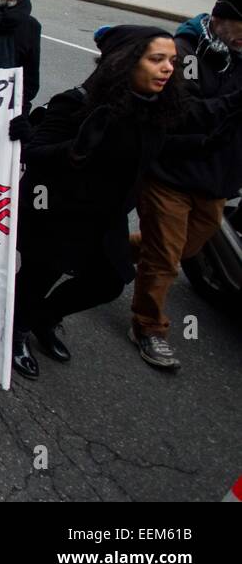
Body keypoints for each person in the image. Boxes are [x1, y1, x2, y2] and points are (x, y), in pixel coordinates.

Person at [12, 26, 208, 380]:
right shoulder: (76, 103)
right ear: (125, 63)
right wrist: (74, 151)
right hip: (57, 212)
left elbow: (161, 148)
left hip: (107, 216)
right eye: (156, 59)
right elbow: (34, 150)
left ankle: (46, 317)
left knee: (108, 281)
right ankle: (17, 331)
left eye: (172, 62)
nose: (167, 68)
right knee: (39, 277)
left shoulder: (157, 110)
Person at [130, 0, 242, 369]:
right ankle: (149, 328)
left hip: (217, 177)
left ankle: (108, 249)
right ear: (220, 19)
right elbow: (181, 112)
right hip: (171, 172)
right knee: (166, 259)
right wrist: (233, 102)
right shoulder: (186, 52)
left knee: (185, 248)